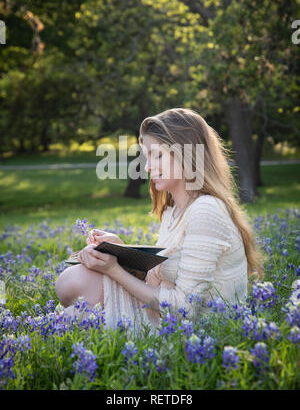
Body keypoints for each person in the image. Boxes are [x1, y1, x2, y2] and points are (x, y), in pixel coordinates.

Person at [55, 108, 264, 336]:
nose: (147, 167)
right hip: (165, 314)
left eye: (158, 155)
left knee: (69, 321)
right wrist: (121, 250)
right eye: (147, 156)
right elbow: (163, 277)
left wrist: (114, 270)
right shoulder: (174, 211)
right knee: (71, 306)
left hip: (192, 331)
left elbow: (185, 309)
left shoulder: (206, 210)